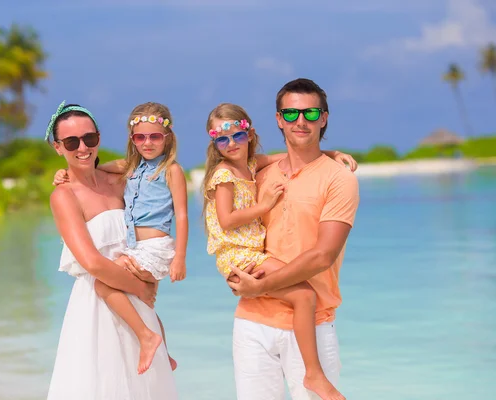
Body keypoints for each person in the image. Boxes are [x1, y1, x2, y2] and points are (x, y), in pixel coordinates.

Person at [202, 103, 356, 400]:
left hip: (252, 258)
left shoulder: (253, 165)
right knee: (304, 295)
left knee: (306, 296)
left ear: (250, 134)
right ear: (214, 143)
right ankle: (314, 374)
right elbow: (226, 220)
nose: (231, 144)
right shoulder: (224, 175)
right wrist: (264, 205)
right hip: (239, 256)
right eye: (222, 139)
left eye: (238, 136)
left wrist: (331, 154)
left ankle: (312, 372)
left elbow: (294, 154)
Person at [45, 101, 178, 399]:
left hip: (137, 298)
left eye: (89, 138)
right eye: (71, 142)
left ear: (99, 138)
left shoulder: (120, 180)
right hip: (99, 302)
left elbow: (151, 228)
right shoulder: (64, 196)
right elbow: (91, 263)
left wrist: (148, 281)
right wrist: (140, 288)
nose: (82, 148)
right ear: (58, 147)